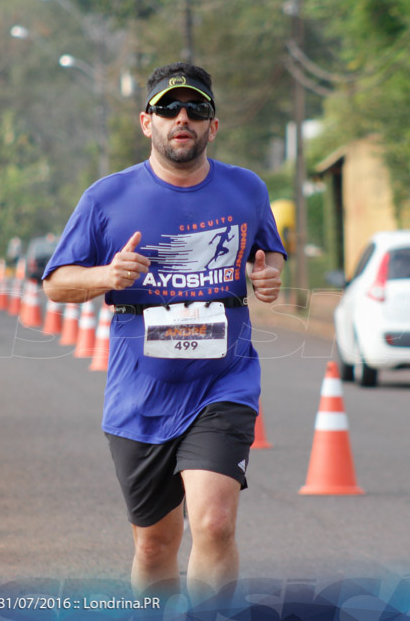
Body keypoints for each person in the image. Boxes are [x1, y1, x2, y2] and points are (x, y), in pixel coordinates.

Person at [42, 63, 285, 604]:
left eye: (196, 110)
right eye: (170, 109)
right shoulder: (106, 198)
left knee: (215, 522)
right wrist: (107, 276)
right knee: (155, 546)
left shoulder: (246, 189)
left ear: (212, 127)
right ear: (146, 122)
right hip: (140, 393)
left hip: (223, 382)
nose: (183, 119)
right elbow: (57, 285)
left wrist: (267, 280)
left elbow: (268, 261)